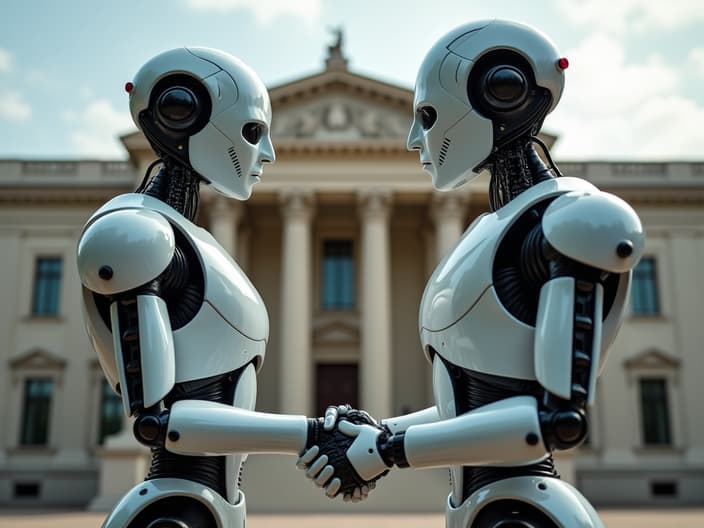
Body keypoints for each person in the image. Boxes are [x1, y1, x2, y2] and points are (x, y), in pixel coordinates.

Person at [298, 19, 645, 528]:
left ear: (495, 95)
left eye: (427, 116)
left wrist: (388, 449)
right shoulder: (497, 230)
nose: (415, 139)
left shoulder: (575, 222)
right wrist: (372, 431)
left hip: (531, 513)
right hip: (483, 510)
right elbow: (471, 405)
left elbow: (553, 421)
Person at [76, 47, 371, 528]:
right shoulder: (133, 237)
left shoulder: (189, 241)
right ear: (187, 116)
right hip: (171, 512)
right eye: (255, 133)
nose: (270, 154)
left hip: (211, 506)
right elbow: (161, 422)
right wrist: (311, 433)